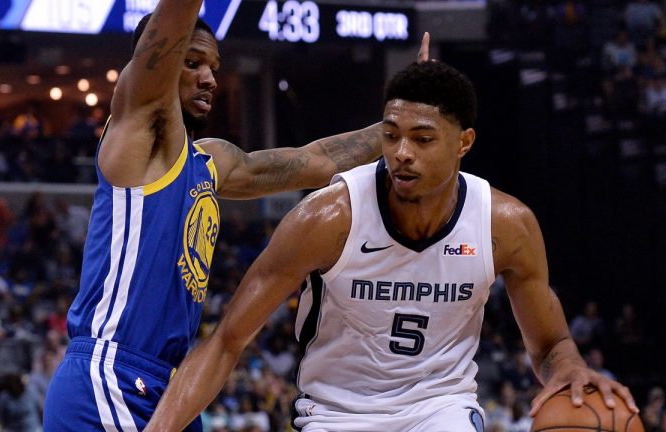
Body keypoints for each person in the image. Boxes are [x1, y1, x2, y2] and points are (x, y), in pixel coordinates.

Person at [145, 60, 639, 431]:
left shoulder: (506, 225)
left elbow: (551, 344)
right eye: (391, 135)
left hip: (440, 408)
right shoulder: (328, 217)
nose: (402, 153)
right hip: (335, 412)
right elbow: (228, 339)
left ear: (463, 142)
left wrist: (570, 369)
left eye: (423, 139)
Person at [42, 1, 430, 430]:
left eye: (213, 65)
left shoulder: (212, 161)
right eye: (192, 63)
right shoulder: (136, 131)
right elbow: (169, 25)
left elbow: (316, 160)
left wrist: (398, 123)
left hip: (172, 386)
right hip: (108, 375)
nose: (209, 78)